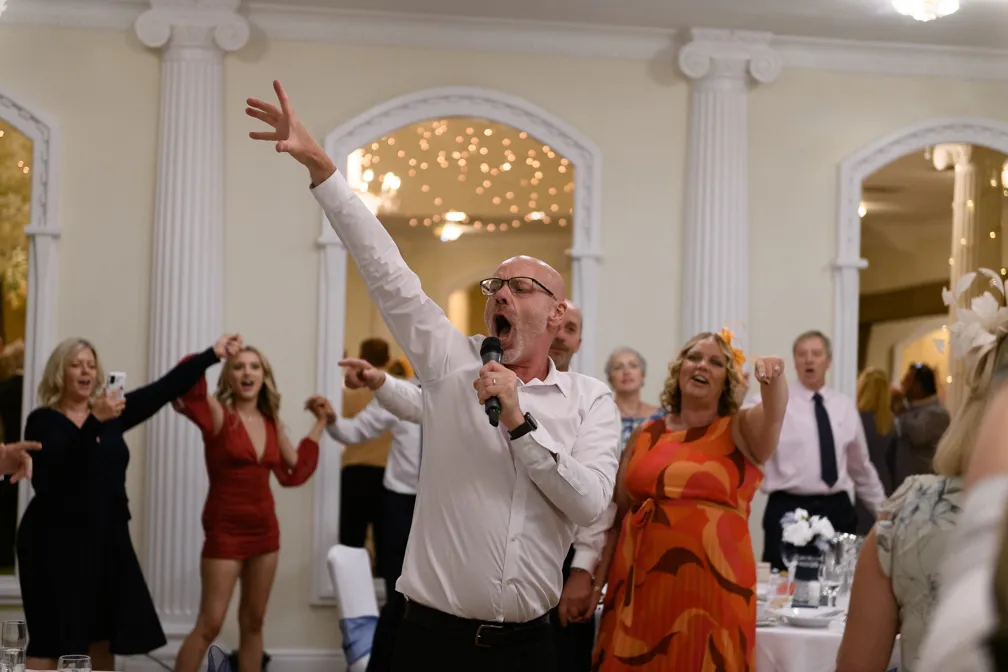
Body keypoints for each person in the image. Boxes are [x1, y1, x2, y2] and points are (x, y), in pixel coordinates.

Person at [246, 80, 621, 672]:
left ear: (556, 315)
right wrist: (323, 170)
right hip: (430, 644)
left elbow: (587, 502)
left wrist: (520, 421)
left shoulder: (590, 400)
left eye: (520, 287)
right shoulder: (452, 363)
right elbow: (388, 273)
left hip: (529, 649)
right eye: (494, 285)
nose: (500, 293)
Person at [16, 334, 238, 670]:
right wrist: (95, 421)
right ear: (60, 373)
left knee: (103, 635)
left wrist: (212, 354)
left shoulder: (111, 414)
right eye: (76, 364)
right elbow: (57, 477)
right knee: (52, 638)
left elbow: (164, 388)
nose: (85, 370)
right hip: (54, 541)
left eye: (91, 364)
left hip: (106, 539)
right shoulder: (42, 420)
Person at [589, 330, 788, 670]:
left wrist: (774, 377)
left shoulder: (739, 430)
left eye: (716, 362)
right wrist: (594, 585)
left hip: (713, 590)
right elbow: (617, 515)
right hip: (640, 586)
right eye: (694, 357)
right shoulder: (645, 434)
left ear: (727, 379)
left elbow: (774, 414)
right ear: (679, 368)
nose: (702, 366)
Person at [172, 344, 326, 672]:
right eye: (239, 366)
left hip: (265, 533)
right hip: (225, 530)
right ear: (229, 375)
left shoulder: (272, 422)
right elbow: (184, 381)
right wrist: (214, 352)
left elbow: (295, 471)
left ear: (264, 376)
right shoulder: (216, 412)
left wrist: (320, 423)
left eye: (255, 367)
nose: (247, 372)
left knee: (254, 622)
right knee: (209, 624)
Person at [307, 357, 421, 672]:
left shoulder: (461, 395)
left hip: (442, 505)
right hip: (400, 502)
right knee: (398, 591)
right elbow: (354, 431)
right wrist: (331, 419)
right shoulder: (396, 393)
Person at [761, 330, 886, 570]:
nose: (809, 359)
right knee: (785, 587)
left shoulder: (844, 406)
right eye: (802, 354)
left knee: (837, 585)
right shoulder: (774, 402)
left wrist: (884, 512)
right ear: (794, 361)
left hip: (836, 508)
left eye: (816, 354)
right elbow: (745, 431)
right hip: (788, 508)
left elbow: (860, 467)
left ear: (827, 362)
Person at [341, 337, 394, 574]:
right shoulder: (393, 390)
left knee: (352, 539)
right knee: (386, 541)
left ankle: (351, 586)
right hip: (386, 474)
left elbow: (342, 429)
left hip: (354, 472)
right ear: (388, 358)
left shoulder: (348, 395)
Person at [890, 362, 950, 490]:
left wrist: (899, 409)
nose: (902, 383)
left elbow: (917, 434)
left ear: (917, 386)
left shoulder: (937, 413)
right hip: (904, 485)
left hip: (923, 489)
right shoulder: (909, 409)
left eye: (907, 380)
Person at [854, 367, 897, 534]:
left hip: (858, 483)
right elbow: (894, 462)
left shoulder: (855, 420)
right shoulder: (890, 423)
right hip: (882, 480)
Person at [604, 347, 664, 449]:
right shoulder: (601, 417)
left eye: (633, 366)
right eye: (618, 367)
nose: (626, 372)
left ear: (643, 375)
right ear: (610, 378)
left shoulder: (662, 417)